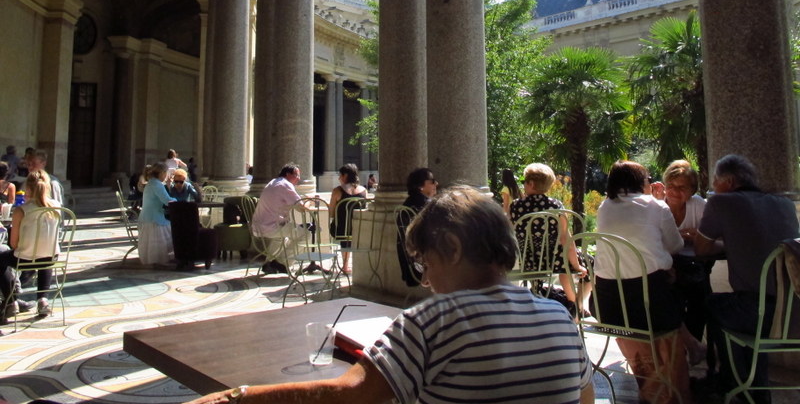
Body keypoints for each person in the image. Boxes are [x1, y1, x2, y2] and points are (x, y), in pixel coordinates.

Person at [186, 186, 595, 404]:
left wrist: (237, 396)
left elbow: (347, 396)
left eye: (424, 264)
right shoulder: (560, 317)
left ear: (451, 248)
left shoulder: (432, 321)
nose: (425, 282)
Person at [695, 154, 800, 403]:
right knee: (746, 311)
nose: (713, 188)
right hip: (793, 313)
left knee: (713, 304)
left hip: (758, 312)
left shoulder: (722, 202)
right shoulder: (783, 203)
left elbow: (702, 249)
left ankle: (733, 383)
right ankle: (755, 386)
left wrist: (728, 243)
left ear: (729, 181)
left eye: (715, 182)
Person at [594, 160, 691, 404]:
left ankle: (689, 348)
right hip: (648, 309)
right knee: (678, 284)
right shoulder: (656, 207)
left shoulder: (604, 207)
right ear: (641, 182)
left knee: (661, 279)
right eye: (647, 179)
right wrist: (658, 203)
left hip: (609, 308)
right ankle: (680, 375)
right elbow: (676, 246)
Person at [509, 162, 588, 316]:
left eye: (524, 182)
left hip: (528, 259)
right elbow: (566, 238)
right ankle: (575, 304)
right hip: (553, 260)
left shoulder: (515, 206)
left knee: (564, 258)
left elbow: (510, 231)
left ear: (531, 183)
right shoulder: (555, 206)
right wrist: (576, 265)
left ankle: (547, 296)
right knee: (582, 262)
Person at [662, 160, 710, 365]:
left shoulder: (699, 205)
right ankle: (681, 350)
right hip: (668, 264)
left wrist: (697, 236)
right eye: (670, 186)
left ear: (691, 190)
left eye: (681, 187)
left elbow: (716, 239)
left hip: (697, 264)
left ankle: (691, 348)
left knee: (701, 297)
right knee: (671, 295)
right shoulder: (658, 206)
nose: (674, 191)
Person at [0, 171, 61, 321]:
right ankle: (43, 299)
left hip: (25, 258)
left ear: (28, 187)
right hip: (51, 257)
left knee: (1, 258)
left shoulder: (22, 210)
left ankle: (11, 300)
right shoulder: (56, 206)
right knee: (44, 255)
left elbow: (14, 243)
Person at [251, 164, 318, 275]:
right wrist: (311, 201)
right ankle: (282, 263)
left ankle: (269, 262)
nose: (299, 178)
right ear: (288, 174)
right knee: (306, 234)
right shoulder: (285, 185)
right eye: (297, 175)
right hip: (272, 227)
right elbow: (301, 208)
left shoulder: (273, 182)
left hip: (259, 226)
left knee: (282, 237)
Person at [396, 167, 437, 287]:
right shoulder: (426, 206)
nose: (436, 183)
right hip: (421, 266)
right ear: (420, 186)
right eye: (432, 181)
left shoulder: (409, 203)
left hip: (409, 265)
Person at [328, 163, 367, 274]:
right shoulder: (364, 191)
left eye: (340, 175)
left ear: (345, 176)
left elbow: (331, 213)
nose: (339, 178)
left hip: (340, 230)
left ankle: (345, 265)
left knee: (344, 228)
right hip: (360, 230)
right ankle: (350, 265)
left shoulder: (337, 191)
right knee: (349, 229)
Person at [138, 162, 174, 266]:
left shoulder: (152, 182)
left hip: (147, 217)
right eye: (166, 173)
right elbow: (167, 200)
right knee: (174, 230)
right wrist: (178, 200)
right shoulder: (157, 184)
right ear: (162, 173)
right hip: (153, 219)